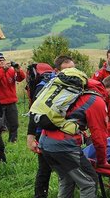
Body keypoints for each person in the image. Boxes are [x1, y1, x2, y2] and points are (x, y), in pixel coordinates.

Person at [38, 67, 109, 198]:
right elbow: (99, 137)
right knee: (89, 182)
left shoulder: (73, 92)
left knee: (67, 179)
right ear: (109, 90)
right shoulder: (96, 101)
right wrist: (102, 161)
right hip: (63, 146)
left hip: (45, 142)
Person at [26, 55, 75, 198]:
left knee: (67, 167)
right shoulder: (45, 87)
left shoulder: (73, 85)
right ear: (56, 71)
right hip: (43, 133)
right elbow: (34, 111)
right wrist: (31, 137)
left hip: (64, 132)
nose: (70, 73)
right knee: (45, 168)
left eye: (73, 69)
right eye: (66, 70)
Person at [0, 52, 26, 142]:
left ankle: (13, 141)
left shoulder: (11, 70)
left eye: (3, 60)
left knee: (14, 124)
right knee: (0, 125)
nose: (2, 62)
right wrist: (3, 70)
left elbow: (21, 78)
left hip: (11, 101)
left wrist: (18, 70)